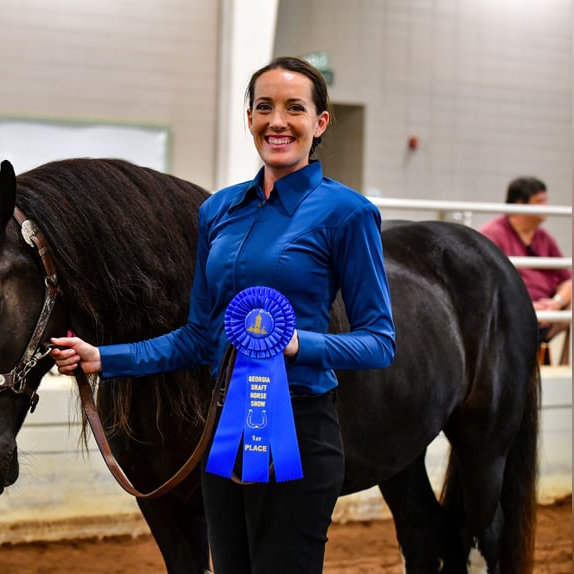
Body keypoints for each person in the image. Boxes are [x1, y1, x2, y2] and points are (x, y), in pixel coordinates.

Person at [50, 56, 396, 573]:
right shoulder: (218, 212)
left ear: (319, 123)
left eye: (294, 108)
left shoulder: (347, 213)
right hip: (227, 432)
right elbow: (197, 336)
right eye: (263, 107)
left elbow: (380, 341)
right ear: (250, 118)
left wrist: (299, 343)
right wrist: (104, 357)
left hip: (301, 431)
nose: (276, 121)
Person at [479, 176, 572, 364]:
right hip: (512, 315)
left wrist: (556, 303)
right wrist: (526, 305)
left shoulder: (544, 238)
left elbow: (568, 280)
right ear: (520, 204)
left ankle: (568, 373)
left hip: (548, 313)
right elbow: (486, 287)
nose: (547, 206)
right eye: (540, 201)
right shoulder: (492, 235)